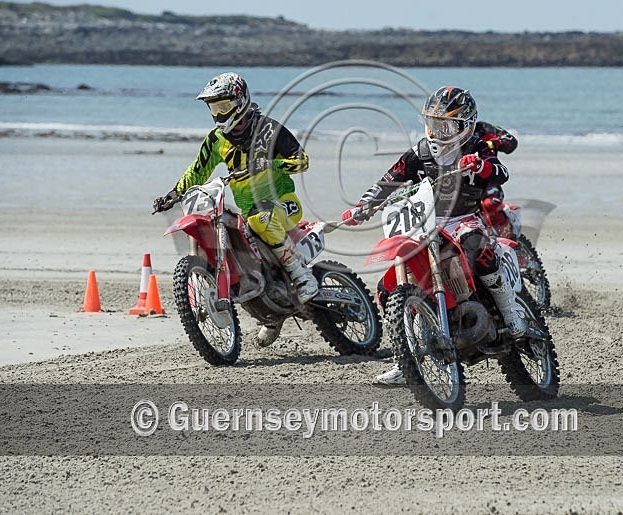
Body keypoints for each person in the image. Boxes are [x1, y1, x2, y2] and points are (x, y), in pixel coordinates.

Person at [341, 86, 527, 386]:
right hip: (425, 220)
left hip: (465, 218)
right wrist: (364, 205)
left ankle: (510, 312)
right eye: (433, 123)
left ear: (465, 124)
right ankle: (406, 358)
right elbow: (390, 178)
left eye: (446, 125)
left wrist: (479, 166)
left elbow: (501, 173)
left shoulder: (476, 145)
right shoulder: (421, 151)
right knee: (389, 287)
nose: (438, 131)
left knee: (479, 251)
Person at [153, 72, 316, 347]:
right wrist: (173, 194)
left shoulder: (268, 130)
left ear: (240, 100)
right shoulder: (217, 140)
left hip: (283, 203)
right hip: (248, 210)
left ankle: (302, 275)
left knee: (261, 218)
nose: (219, 113)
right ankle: (268, 312)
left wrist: (271, 164)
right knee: (235, 234)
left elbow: (301, 161)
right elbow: (197, 171)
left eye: (224, 106)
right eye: (214, 107)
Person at [474, 120, 519, 239]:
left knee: (490, 204)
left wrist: (494, 143)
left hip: (489, 183)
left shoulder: (482, 128)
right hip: (460, 185)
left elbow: (511, 141)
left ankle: (513, 243)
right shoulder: (445, 136)